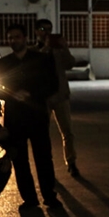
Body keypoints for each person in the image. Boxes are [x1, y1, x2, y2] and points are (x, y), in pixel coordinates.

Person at [0, 23, 61, 210]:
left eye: (17, 36)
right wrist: (12, 94)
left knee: (44, 158)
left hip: (37, 115)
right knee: (20, 159)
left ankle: (49, 195)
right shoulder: (4, 63)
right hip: (15, 118)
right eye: (10, 37)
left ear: (25, 38)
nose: (14, 40)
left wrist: (31, 94)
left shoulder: (41, 60)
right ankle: (29, 199)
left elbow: (53, 85)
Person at [32, 19, 80, 176]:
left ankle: (71, 162)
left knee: (68, 132)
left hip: (60, 95)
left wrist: (64, 47)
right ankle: (46, 166)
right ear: (36, 31)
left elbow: (70, 64)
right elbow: (31, 66)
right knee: (42, 134)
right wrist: (46, 48)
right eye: (42, 29)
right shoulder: (33, 51)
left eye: (49, 29)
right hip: (42, 98)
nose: (46, 32)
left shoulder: (58, 50)